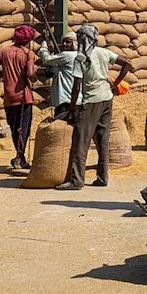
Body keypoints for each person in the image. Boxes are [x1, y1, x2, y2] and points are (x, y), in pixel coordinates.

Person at [56, 24, 131, 191]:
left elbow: (77, 86)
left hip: (91, 101)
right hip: (107, 99)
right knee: (102, 140)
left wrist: (72, 109)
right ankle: (102, 177)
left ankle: (76, 181)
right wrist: (116, 84)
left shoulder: (81, 58)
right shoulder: (103, 52)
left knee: (81, 141)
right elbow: (126, 63)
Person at [0, 24, 37, 170]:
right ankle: (19, 157)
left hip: (9, 97)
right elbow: (30, 74)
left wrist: (5, 77)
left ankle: (20, 156)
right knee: (24, 128)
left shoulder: (3, 51)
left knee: (14, 127)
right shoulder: (28, 53)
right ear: (28, 39)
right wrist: (35, 79)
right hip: (24, 96)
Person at [37, 32, 80, 121]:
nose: (64, 44)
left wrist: (44, 46)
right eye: (63, 42)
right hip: (78, 101)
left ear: (74, 43)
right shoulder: (79, 56)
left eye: (68, 42)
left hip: (65, 101)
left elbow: (46, 59)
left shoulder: (67, 55)